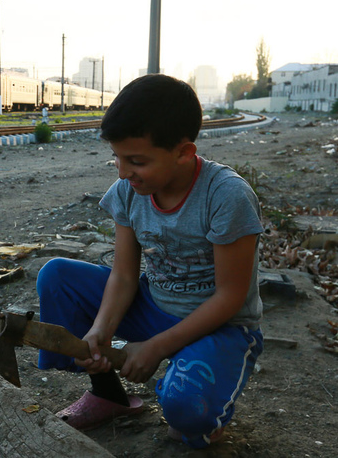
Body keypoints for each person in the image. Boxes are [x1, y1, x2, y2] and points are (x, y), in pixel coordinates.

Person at [35, 74, 264, 449]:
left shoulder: (226, 196)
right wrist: (101, 331)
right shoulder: (129, 191)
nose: (123, 172)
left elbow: (230, 297)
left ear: (184, 152)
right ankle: (108, 394)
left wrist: (155, 348)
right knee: (57, 276)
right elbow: (124, 276)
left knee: (186, 413)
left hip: (220, 326)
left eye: (136, 161)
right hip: (154, 307)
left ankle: (199, 395)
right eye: (117, 158)